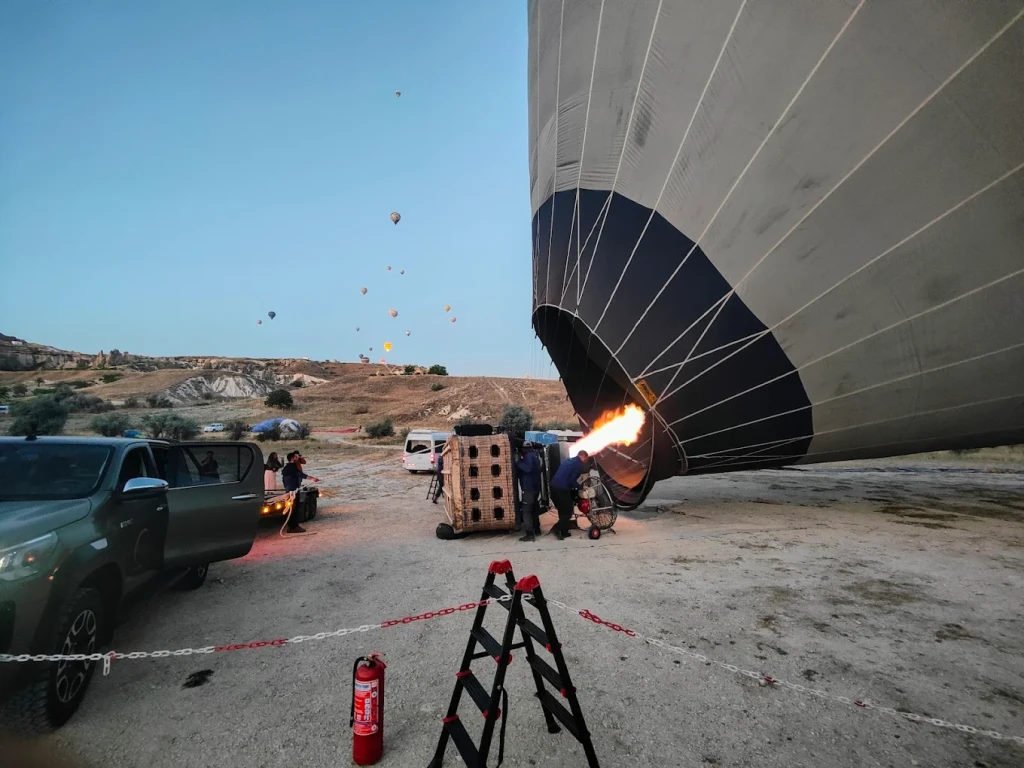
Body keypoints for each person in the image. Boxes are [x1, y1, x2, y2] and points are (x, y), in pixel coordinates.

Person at [548, 450, 590, 540]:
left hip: (553, 487)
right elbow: (571, 480)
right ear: (583, 457)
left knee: (562, 510)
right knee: (568, 511)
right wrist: (580, 487)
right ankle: (557, 528)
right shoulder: (578, 465)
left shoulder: (567, 461)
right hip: (562, 489)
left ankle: (563, 531)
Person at [281, 451, 320, 533]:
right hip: (293, 492)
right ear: (292, 458)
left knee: (292, 509)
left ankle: (291, 526)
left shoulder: (287, 467)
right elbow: (302, 475)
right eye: (296, 457)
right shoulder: (292, 467)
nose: (298, 458)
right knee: (294, 509)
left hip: (290, 490)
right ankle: (293, 527)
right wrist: (313, 478)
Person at [514, 442, 542, 542]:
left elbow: (528, 469)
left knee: (526, 511)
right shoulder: (535, 455)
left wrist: (518, 462)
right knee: (534, 509)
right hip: (536, 487)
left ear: (525, 449)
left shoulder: (529, 457)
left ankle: (529, 533)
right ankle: (537, 529)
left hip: (529, 488)